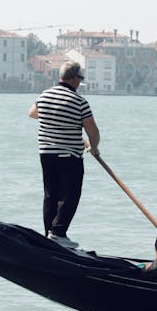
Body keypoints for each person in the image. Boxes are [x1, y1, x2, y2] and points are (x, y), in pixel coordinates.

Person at [28, 60, 100, 249]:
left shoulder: (44, 95)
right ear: (75, 78)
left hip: (46, 153)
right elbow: (93, 132)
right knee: (70, 194)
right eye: (81, 78)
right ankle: (58, 233)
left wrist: (55, 120)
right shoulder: (79, 101)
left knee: (50, 194)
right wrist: (94, 147)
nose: (80, 82)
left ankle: (49, 234)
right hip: (69, 156)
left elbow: (33, 114)